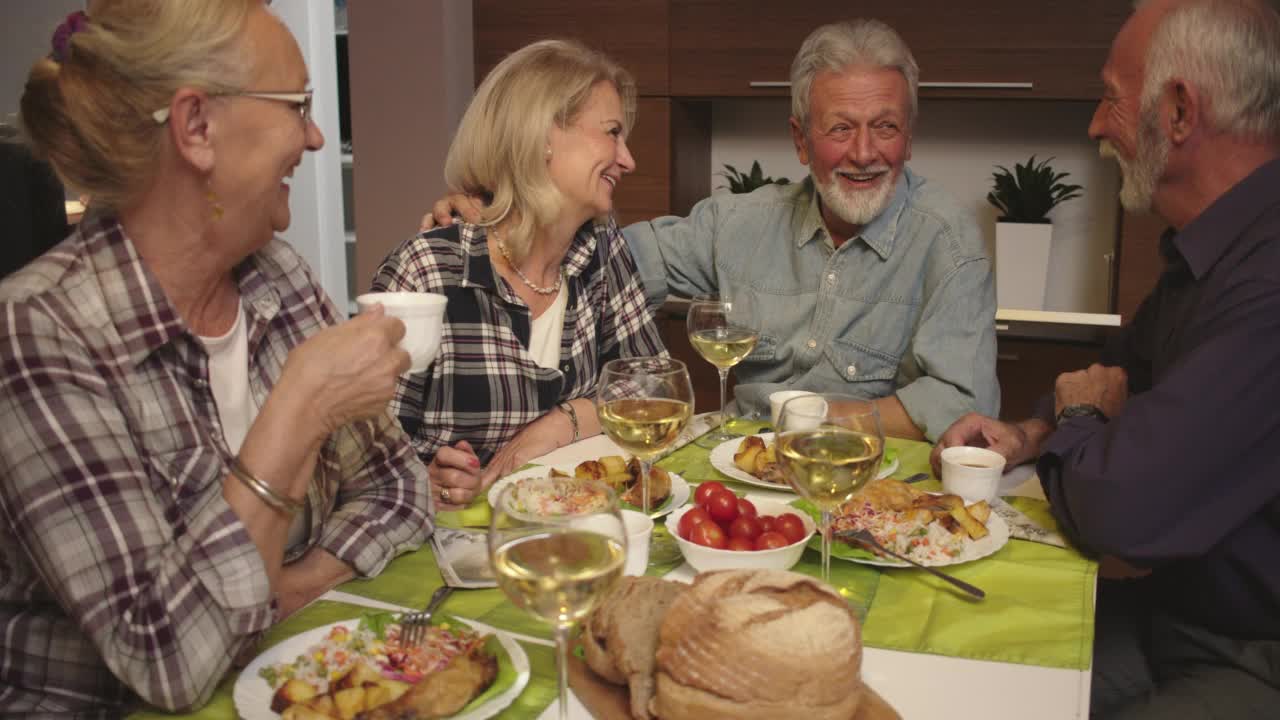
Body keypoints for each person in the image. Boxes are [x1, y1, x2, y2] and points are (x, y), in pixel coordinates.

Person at [0, 2, 431, 714]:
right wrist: (299, 408)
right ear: (196, 127)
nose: (317, 136)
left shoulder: (277, 275)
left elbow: (398, 491)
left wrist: (280, 593)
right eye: (299, 105)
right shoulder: (39, 334)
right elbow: (166, 658)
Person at [933, 0, 1280, 716]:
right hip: (1177, 613)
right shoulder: (1211, 253)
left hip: (1253, 654)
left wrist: (1083, 414)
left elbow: (1116, 510)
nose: (1095, 123)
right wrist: (1031, 433)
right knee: (954, 654)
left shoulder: (1268, 277)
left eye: (1111, 98)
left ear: (1179, 111)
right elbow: (1114, 375)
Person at [424, 20, 1000, 442]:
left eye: (886, 127)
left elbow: (962, 402)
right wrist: (497, 215)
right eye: (841, 129)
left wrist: (812, 421)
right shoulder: (736, 223)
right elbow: (598, 259)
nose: (865, 152)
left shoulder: (948, 241)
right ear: (800, 141)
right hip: (733, 480)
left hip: (865, 484)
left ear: (910, 134)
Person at [370, 39, 665, 510]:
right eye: (612, 133)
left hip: (578, 532)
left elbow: (654, 387)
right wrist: (426, 480)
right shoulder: (428, 271)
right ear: (543, 134)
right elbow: (364, 454)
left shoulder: (602, 247)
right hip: (461, 545)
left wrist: (560, 424)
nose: (628, 160)